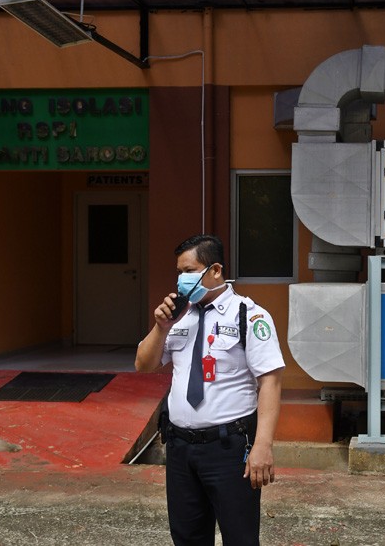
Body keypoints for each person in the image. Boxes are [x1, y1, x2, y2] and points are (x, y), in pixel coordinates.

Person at [135, 234, 285, 546]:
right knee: (187, 537)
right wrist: (160, 327)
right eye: (179, 272)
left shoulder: (249, 315)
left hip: (228, 449)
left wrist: (263, 446)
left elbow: (270, 382)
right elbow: (143, 364)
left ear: (215, 270)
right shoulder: (177, 317)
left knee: (240, 538)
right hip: (180, 448)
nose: (182, 279)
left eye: (189, 271)